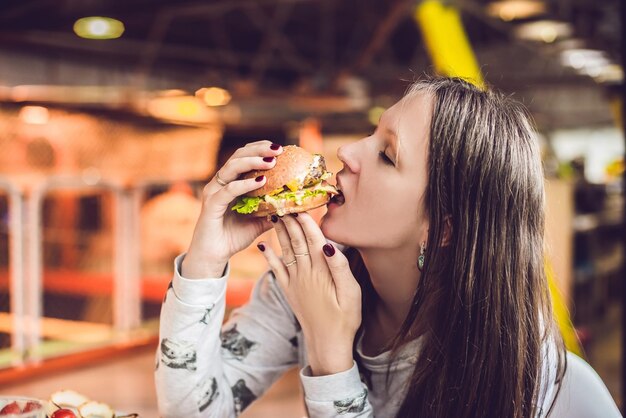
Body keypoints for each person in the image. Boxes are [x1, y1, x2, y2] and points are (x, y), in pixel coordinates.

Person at [156, 77, 584, 417]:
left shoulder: (535, 385)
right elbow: (191, 409)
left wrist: (331, 357)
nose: (346, 151)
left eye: (387, 155)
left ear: (442, 231)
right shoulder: (306, 281)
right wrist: (205, 260)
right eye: (373, 133)